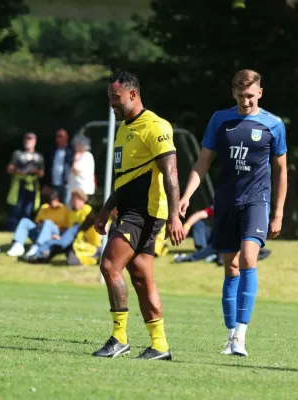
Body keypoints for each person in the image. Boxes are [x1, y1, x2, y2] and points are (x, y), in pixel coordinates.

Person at [179, 69, 287, 357]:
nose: (246, 101)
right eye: (241, 96)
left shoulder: (273, 125)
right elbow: (203, 162)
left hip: (256, 201)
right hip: (226, 202)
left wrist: (278, 213)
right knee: (230, 267)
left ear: (260, 93)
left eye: (251, 95)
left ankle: (241, 335)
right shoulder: (220, 119)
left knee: (249, 258)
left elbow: (281, 170)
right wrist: (186, 196)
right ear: (233, 93)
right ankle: (229, 337)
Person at [92, 71, 185, 360]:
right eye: (109, 98)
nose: (112, 104)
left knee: (109, 265)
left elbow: (170, 173)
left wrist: (174, 215)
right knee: (142, 277)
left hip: (144, 212)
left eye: (116, 98)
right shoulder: (123, 128)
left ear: (133, 94)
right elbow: (125, 180)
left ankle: (119, 338)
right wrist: (106, 211)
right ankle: (160, 345)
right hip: (129, 210)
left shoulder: (155, 126)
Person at [27, 188, 96, 262]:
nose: (72, 200)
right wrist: (60, 236)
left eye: (75, 198)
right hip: (71, 239)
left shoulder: (87, 210)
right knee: (56, 242)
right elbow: (67, 229)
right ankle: (40, 257)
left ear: (82, 200)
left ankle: (38, 253)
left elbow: (84, 228)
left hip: (83, 239)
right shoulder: (71, 213)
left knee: (71, 231)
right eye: (72, 198)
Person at [6, 190, 70, 257]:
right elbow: (37, 222)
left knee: (48, 223)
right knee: (25, 220)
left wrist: (59, 237)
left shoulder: (64, 210)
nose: (50, 205)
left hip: (55, 235)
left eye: (51, 202)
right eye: (48, 202)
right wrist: (40, 225)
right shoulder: (44, 207)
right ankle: (18, 245)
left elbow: (66, 228)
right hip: (40, 232)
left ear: (57, 199)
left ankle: (37, 247)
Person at [6, 132, 44, 230]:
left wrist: (35, 171)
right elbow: (9, 168)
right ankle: (12, 229)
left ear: (35, 141)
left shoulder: (39, 156)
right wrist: (19, 172)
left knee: (28, 209)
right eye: (27, 139)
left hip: (32, 186)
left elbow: (42, 173)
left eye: (30, 140)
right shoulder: (17, 154)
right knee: (16, 208)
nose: (28, 142)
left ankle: (25, 229)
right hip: (19, 184)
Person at [42, 129, 74, 205]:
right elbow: (47, 167)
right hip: (53, 184)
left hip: (66, 184)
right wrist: (46, 183)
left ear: (67, 137)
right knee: (53, 206)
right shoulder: (52, 150)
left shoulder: (71, 150)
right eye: (57, 136)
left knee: (66, 205)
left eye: (61, 136)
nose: (58, 138)